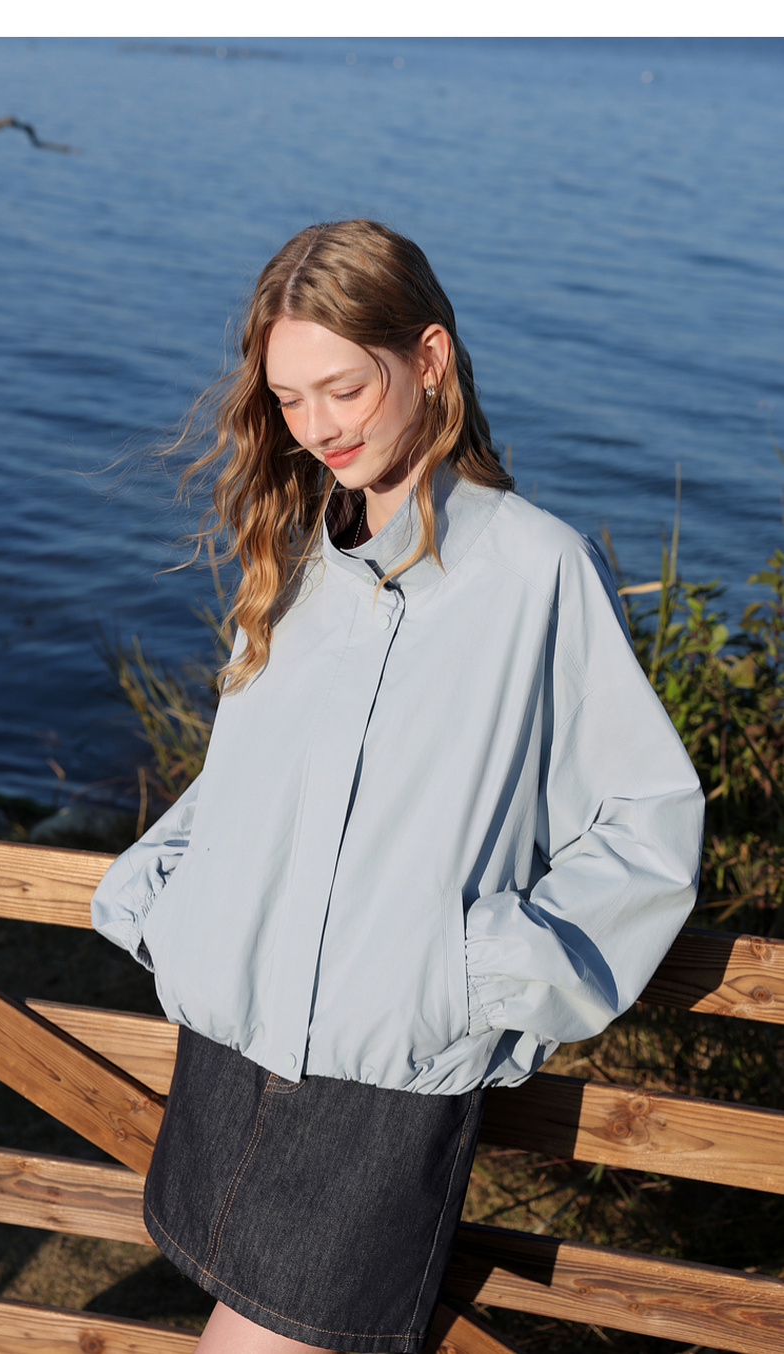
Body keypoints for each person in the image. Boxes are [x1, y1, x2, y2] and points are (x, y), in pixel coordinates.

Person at [91, 219, 704, 1354]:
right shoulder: (293, 561)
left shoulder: (535, 571)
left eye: (344, 389)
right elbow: (235, 787)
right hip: (229, 1053)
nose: (317, 427)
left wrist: (474, 974)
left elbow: (645, 825)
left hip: (382, 1086)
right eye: (289, 399)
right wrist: (174, 907)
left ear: (428, 359)